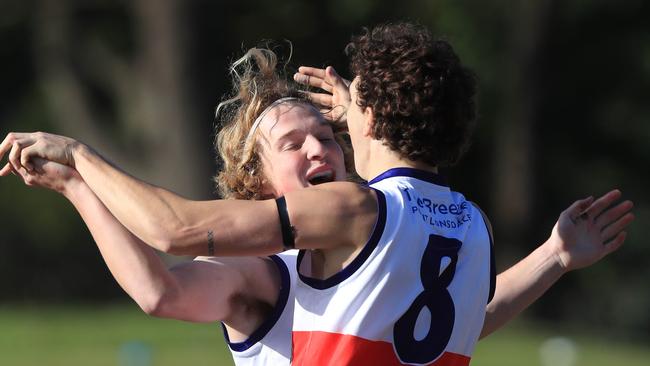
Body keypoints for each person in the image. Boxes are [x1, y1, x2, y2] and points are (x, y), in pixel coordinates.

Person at [1, 24, 634, 365]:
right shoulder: (466, 222)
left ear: (367, 125)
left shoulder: (361, 213)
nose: (318, 147)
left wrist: (81, 156)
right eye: (292, 143)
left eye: (327, 131)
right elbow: (468, 320)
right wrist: (553, 256)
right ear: (254, 183)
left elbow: (171, 234)